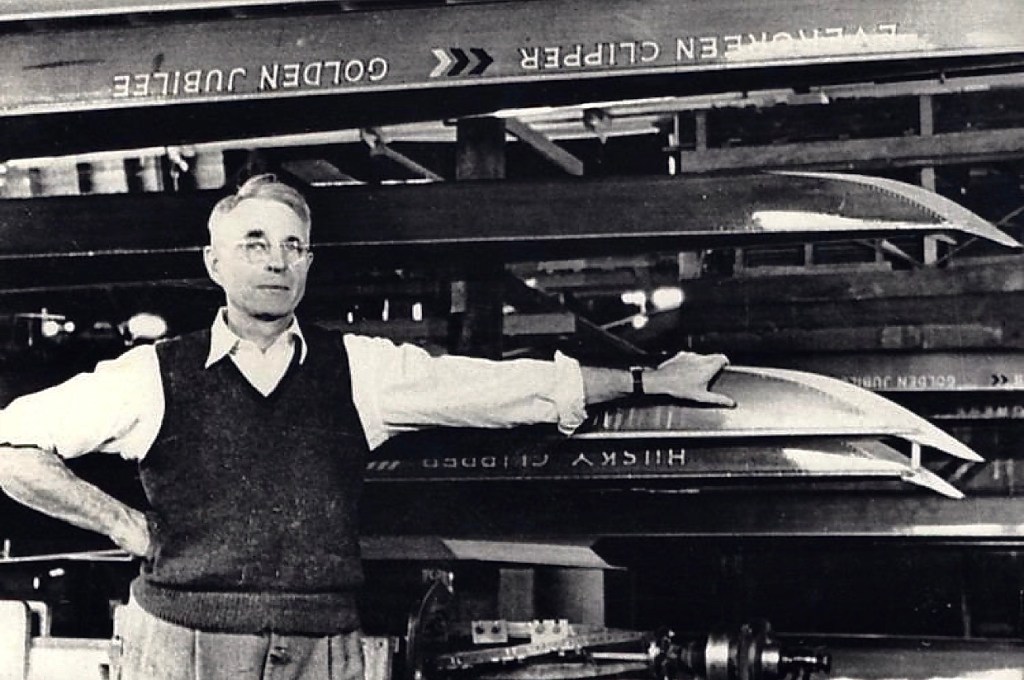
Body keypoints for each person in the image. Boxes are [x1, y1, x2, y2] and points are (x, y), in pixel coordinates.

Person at [0, 174, 734, 680]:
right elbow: (11, 446)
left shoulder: (359, 369)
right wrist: (124, 525)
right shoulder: (152, 374)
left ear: (309, 263)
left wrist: (648, 380)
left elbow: (506, 389)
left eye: (292, 247)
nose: (276, 262)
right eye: (254, 243)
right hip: (183, 644)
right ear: (214, 261)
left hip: (324, 649)